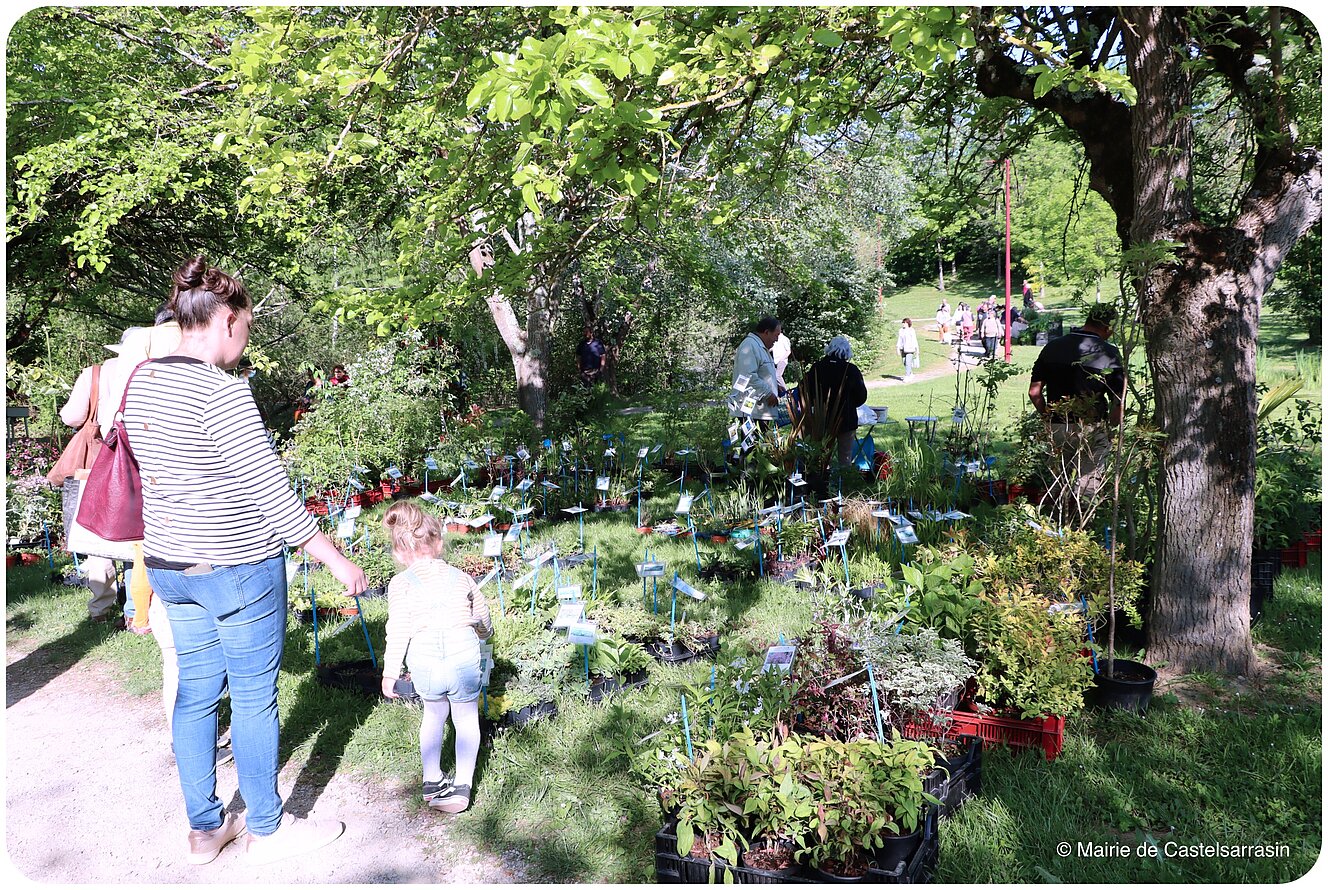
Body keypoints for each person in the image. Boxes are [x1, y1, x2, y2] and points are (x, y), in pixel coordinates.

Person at [125, 255, 365, 866]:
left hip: (170, 567)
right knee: (255, 697)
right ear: (227, 319)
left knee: (196, 695)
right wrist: (336, 561)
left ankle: (204, 830)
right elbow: (272, 495)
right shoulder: (221, 391)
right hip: (236, 568)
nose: (246, 341)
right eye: (248, 327)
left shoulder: (142, 382)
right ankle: (267, 827)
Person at [379, 501, 493, 815]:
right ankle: (462, 785)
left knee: (433, 715)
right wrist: (485, 633)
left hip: (425, 660)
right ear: (439, 543)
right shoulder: (462, 578)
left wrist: (390, 672)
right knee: (465, 718)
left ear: (399, 553)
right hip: (463, 657)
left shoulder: (400, 584)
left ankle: (432, 779)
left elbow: (397, 629)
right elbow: (482, 616)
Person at [1028, 304, 1125, 524]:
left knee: (1058, 479)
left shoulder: (1053, 347)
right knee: (1087, 483)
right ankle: (1082, 528)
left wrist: (1048, 417)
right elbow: (1118, 401)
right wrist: (1110, 427)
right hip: (1091, 426)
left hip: (1057, 424)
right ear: (1108, 327)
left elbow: (1034, 392)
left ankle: (1053, 525)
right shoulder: (1109, 353)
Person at [51, 362, 117, 623]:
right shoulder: (149, 367)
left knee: (98, 532)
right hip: (136, 457)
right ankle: (137, 609)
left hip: (98, 461)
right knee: (136, 533)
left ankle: (102, 607)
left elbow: (72, 416)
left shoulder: (95, 373)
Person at [797, 336, 868, 466]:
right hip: (846, 419)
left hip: (821, 420)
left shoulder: (817, 368)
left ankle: (822, 477)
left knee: (820, 456)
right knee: (845, 457)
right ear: (847, 352)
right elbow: (861, 396)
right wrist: (850, 404)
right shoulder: (851, 370)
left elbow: (804, 389)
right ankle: (843, 478)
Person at [731, 317, 782, 423]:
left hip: (760, 412)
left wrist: (775, 386)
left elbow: (763, 374)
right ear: (767, 332)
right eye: (776, 335)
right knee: (755, 435)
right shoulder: (750, 346)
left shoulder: (760, 347)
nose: (777, 339)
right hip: (751, 412)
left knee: (764, 434)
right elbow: (747, 377)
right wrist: (768, 393)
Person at [771, 329, 792, 394]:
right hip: (775, 361)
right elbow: (772, 348)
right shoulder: (775, 338)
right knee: (773, 376)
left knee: (777, 376)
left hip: (782, 361)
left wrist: (781, 359)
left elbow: (788, 351)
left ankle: (786, 392)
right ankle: (780, 392)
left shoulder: (784, 339)